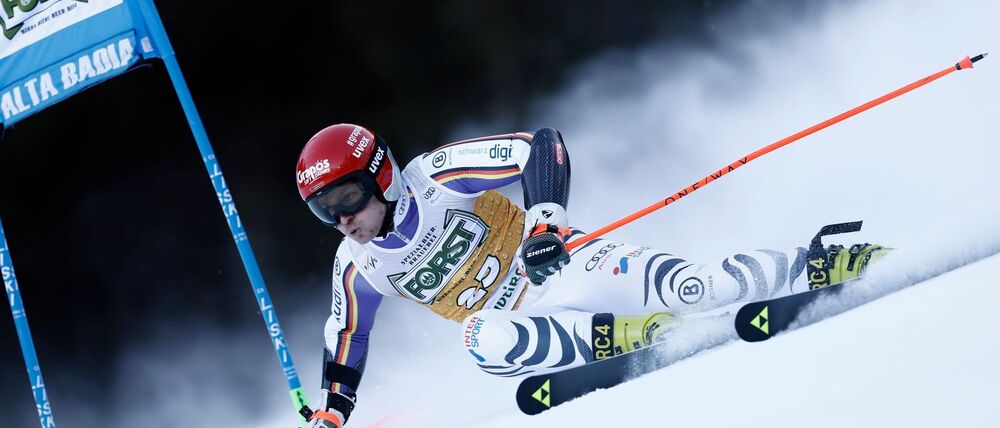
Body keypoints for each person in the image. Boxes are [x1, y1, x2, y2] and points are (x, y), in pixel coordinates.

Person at [296, 124, 888, 427]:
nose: (342, 219)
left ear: (382, 175)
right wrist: (331, 412)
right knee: (480, 338)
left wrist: (545, 224)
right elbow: (348, 337)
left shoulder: (436, 177)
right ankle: (619, 337)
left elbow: (539, 145)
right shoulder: (358, 264)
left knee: (699, 289)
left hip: (569, 269)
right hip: (532, 328)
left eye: (347, 197)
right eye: (323, 211)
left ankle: (829, 262)